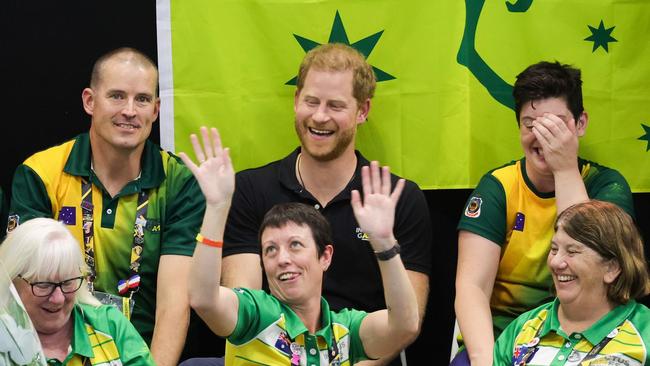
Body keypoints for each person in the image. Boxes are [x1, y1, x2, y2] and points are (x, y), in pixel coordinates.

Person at [222, 43, 432, 365]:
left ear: (362, 111)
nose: (320, 116)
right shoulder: (250, 190)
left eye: (335, 105)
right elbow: (242, 306)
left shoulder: (399, 200)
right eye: (311, 101)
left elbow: (406, 322)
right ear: (296, 102)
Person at [7, 47, 204, 366]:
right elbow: (23, 294)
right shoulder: (40, 174)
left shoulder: (180, 182)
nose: (130, 110)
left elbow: (174, 304)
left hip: (144, 355)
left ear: (155, 110)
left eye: (142, 99)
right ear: (89, 101)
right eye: (116, 96)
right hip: (56, 352)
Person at [179, 127, 419, 365]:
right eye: (270, 250)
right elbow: (204, 298)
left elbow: (404, 326)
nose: (282, 258)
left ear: (325, 256)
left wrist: (385, 243)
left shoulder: (345, 330)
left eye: (295, 245)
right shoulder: (256, 314)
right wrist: (216, 208)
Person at [453, 61, 635, 366]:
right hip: (504, 340)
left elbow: (591, 266)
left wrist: (564, 168)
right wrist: (488, 361)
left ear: (580, 123)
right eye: (531, 124)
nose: (542, 136)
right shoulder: (499, 187)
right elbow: (471, 286)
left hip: (591, 342)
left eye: (555, 123)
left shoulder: (607, 186)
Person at [494, 200, 650, 365]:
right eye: (554, 249)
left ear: (612, 268)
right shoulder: (523, 327)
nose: (555, 263)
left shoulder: (645, 332)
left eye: (572, 251)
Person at [0, 217, 155, 365]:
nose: (58, 299)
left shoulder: (109, 324)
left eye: (67, 283)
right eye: (44, 285)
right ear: (12, 281)